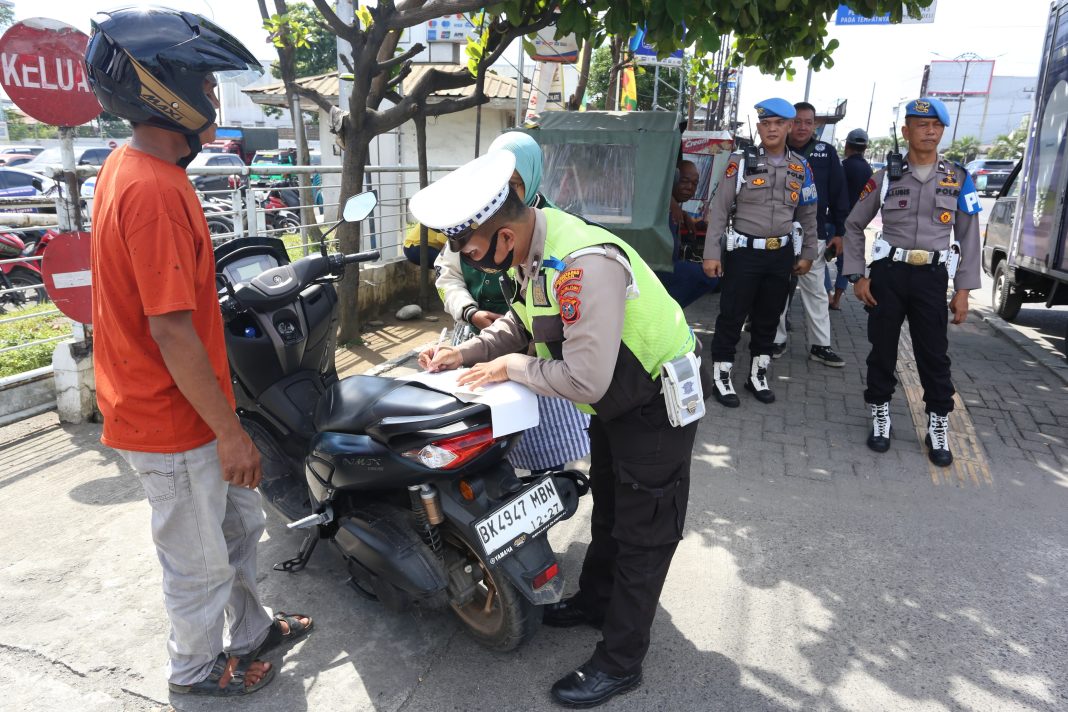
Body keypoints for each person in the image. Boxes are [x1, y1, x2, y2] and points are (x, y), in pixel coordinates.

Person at [411, 150, 707, 709]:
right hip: (619, 401)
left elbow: (583, 379)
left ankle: (622, 663)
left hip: (654, 403)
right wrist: (463, 354)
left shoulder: (581, 263)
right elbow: (523, 320)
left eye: (470, 247)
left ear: (502, 234)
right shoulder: (533, 248)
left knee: (645, 534)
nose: (467, 258)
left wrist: (510, 366)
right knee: (614, 509)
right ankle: (597, 601)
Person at [85, 7, 311, 697]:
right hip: (169, 420)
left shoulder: (143, 170)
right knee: (197, 561)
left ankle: (248, 633)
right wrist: (230, 432)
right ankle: (195, 670)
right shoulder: (151, 190)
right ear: (166, 91)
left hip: (185, 410)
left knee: (239, 527)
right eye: (206, 85)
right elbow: (172, 331)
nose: (215, 98)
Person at [435, 130, 591, 474]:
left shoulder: (556, 232)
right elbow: (447, 277)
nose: (506, 195)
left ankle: (542, 494)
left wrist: (520, 354)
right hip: (482, 335)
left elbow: (582, 368)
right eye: (498, 183)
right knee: (479, 442)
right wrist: (469, 314)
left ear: (534, 178)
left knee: (542, 443)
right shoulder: (470, 218)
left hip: (536, 347)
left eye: (515, 184)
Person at [842, 98, 982, 467]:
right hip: (889, 274)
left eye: (936, 125)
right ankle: (880, 416)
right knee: (883, 350)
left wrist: (963, 291)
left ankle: (938, 423)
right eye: (922, 125)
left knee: (934, 355)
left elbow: (969, 237)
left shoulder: (959, 178)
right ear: (906, 131)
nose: (930, 131)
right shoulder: (885, 176)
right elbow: (854, 224)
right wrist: (857, 275)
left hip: (932, 279)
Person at [702, 98, 819, 407]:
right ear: (759, 127)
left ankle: (758, 374)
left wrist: (807, 252)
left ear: (790, 127)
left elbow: (808, 213)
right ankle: (722, 374)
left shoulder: (801, 166)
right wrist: (711, 252)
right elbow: (720, 209)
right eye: (766, 124)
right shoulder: (740, 161)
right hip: (744, 253)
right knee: (732, 315)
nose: (771, 129)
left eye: (778, 123)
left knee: (769, 317)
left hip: (780, 254)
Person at [771, 101, 847, 367]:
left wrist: (841, 231)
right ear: (789, 123)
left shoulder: (826, 153)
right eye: (798, 121)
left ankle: (820, 345)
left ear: (815, 125)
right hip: (777, 230)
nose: (802, 127)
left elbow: (839, 193)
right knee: (777, 288)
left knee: (814, 289)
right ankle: (776, 339)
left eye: (808, 122)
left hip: (813, 232)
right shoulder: (775, 149)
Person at [655, 160, 721, 308]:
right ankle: (668, 308)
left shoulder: (677, 211)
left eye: (695, 183)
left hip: (665, 267)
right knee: (707, 275)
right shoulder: (663, 208)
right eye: (684, 181)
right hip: (657, 270)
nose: (689, 187)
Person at [831, 128, 874, 310]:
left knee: (818, 258)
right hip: (856, 223)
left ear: (847, 145)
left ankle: (825, 292)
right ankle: (837, 299)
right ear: (865, 148)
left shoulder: (842, 166)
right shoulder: (869, 171)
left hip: (834, 220)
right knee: (845, 263)